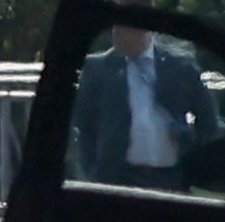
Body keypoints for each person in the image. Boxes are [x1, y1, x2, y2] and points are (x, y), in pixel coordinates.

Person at [71, 13, 215, 186]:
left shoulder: (180, 65)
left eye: (125, 28)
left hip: (172, 177)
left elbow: (207, 118)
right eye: (116, 27)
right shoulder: (98, 67)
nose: (117, 33)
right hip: (117, 178)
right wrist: (92, 170)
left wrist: (198, 164)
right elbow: (84, 123)